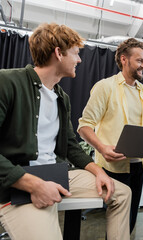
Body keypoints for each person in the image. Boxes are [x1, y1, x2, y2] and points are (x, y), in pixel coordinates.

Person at [0, 23, 131, 240]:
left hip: (55, 174)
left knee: (122, 193)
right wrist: (33, 184)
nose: (79, 60)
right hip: (16, 184)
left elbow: (71, 145)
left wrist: (99, 173)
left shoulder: (62, 97)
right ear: (59, 53)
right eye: (76, 53)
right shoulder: (7, 82)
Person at [78, 38, 143, 233]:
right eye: (139, 61)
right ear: (124, 59)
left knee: (129, 223)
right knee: (115, 223)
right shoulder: (105, 87)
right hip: (112, 166)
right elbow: (84, 126)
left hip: (138, 167)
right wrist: (102, 148)